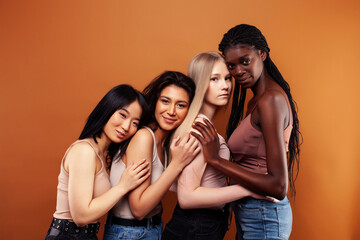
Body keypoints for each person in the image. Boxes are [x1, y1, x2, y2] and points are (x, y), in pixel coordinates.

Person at [191, 24, 301, 240]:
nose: (238, 71)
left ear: (262, 54)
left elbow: (278, 186)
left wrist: (216, 161)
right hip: (253, 211)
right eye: (231, 65)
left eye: (245, 61)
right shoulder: (258, 100)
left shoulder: (270, 100)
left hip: (264, 214)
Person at [162, 52, 272, 240]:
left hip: (200, 224)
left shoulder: (200, 125)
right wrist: (249, 189)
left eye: (227, 78)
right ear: (200, 83)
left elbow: (185, 186)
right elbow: (187, 198)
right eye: (214, 79)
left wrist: (223, 205)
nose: (225, 86)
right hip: (195, 226)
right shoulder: (200, 129)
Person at [45, 84, 152, 240]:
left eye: (135, 123)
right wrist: (123, 186)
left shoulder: (100, 153)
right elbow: (81, 217)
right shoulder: (85, 151)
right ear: (107, 109)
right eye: (122, 115)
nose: (126, 126)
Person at [103, 71, 200, 240]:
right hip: (129, 233)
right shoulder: (144, 137)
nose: (171, 111)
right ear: (155, 101)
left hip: (151, 229)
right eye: (165, 101)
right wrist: (176, 164)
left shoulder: (165, 143)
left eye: (181, 105)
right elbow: (138, 209)